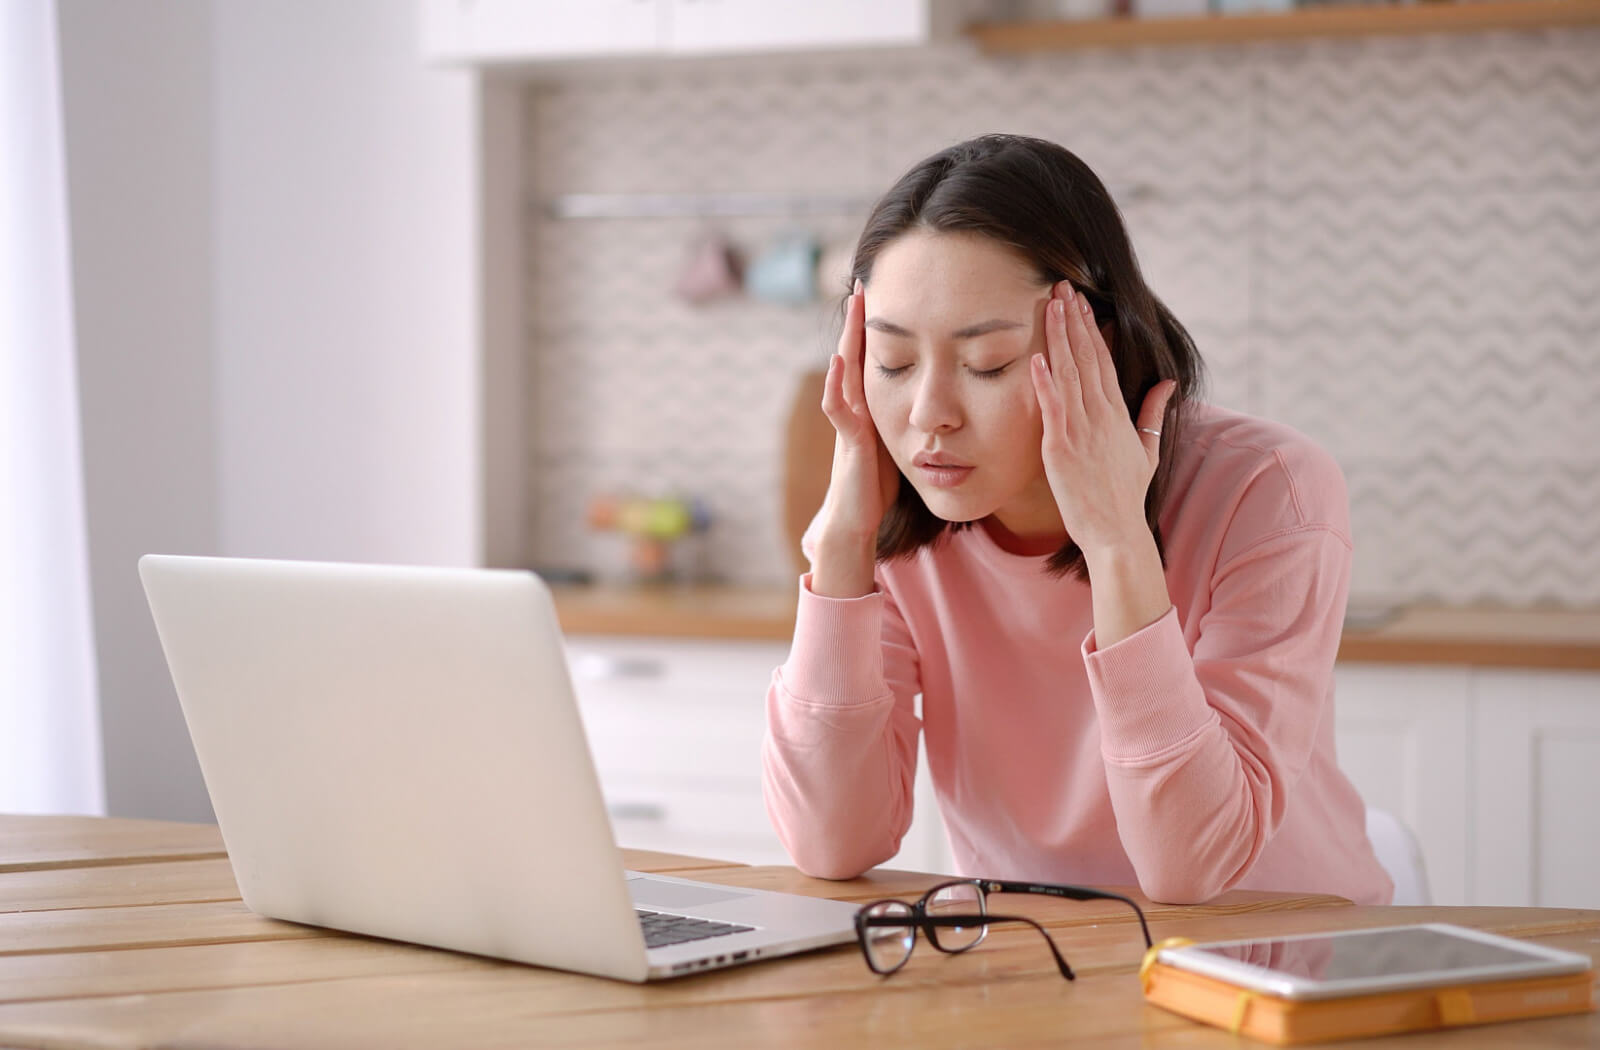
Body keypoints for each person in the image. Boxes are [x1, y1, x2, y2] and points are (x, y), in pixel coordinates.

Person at [760, 134, 1393, 906]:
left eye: (986, 363)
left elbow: (1191, 867)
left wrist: (1119, 541)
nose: (928, 416)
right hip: (1034, 965)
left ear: (1096, 344)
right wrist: (841, 551)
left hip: (1273, 965)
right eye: (892, 363)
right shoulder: (903, 516)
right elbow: (833, 843)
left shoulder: (1269, 490)